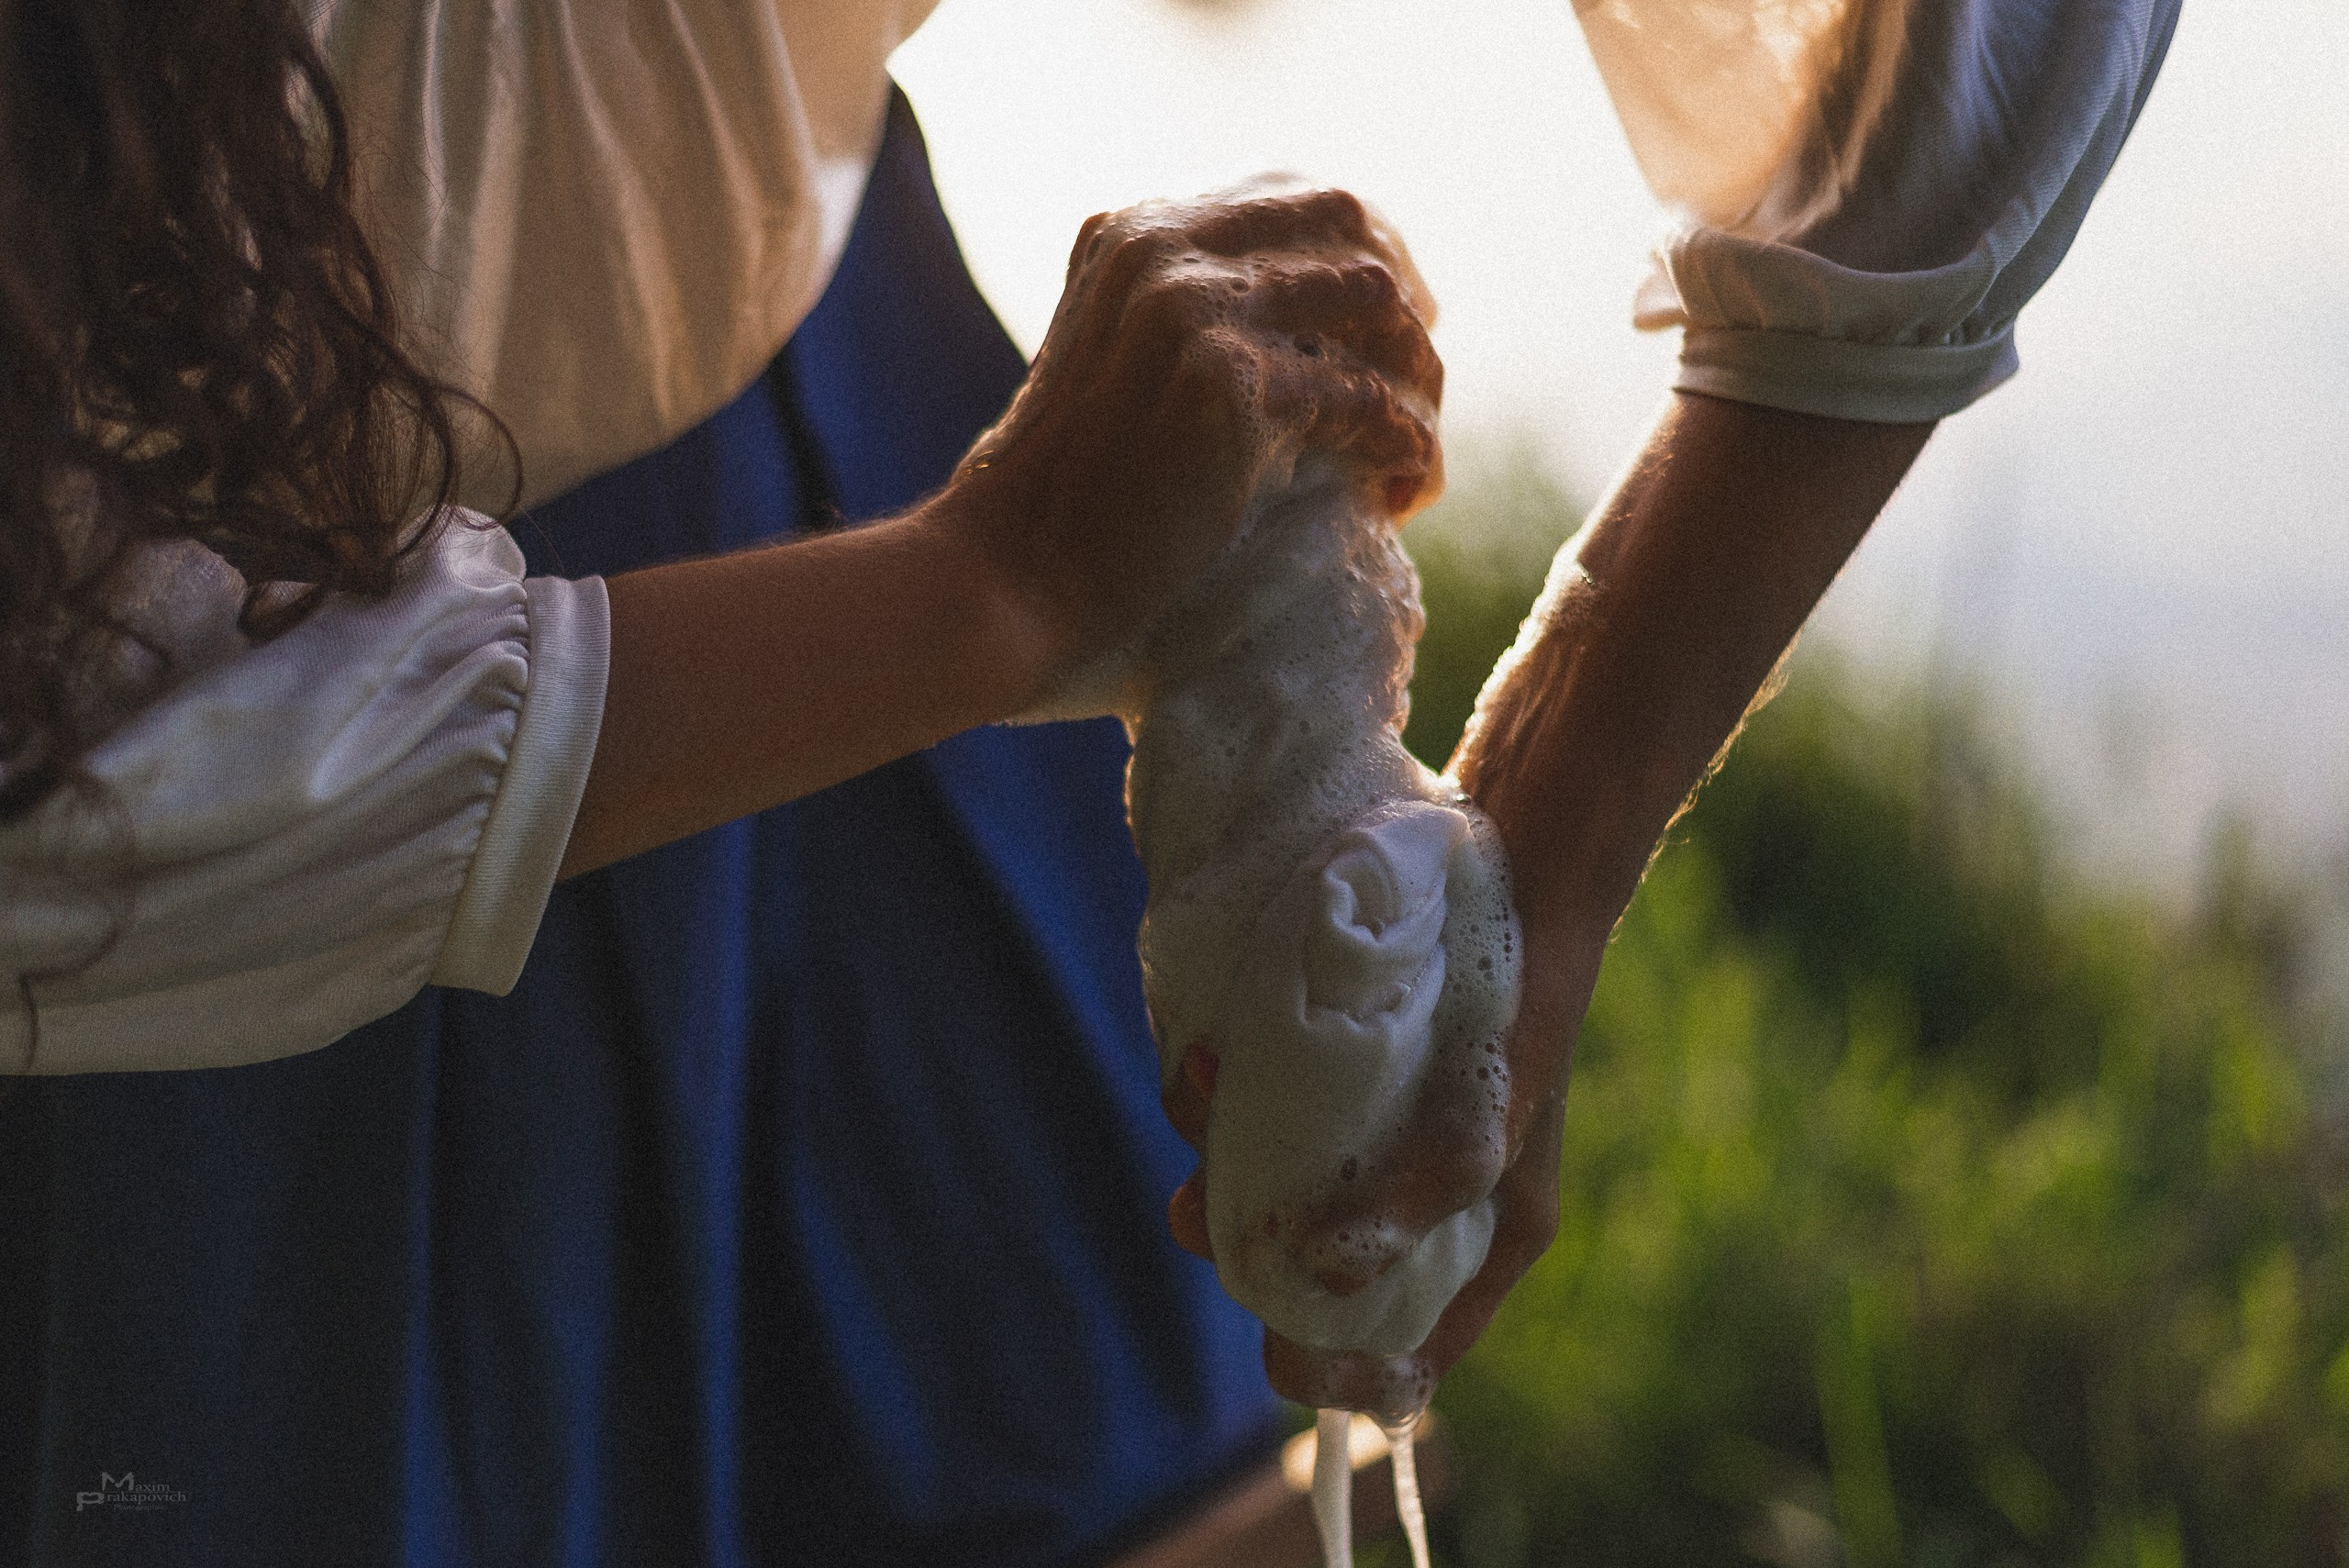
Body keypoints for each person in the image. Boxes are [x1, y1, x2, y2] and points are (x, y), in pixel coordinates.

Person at [0, 0, 2181, 1562]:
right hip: (223, 756)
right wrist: (997, 584)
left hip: (753, 321)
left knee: (1182, 1470)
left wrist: (1560, 820)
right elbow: (60, 784)